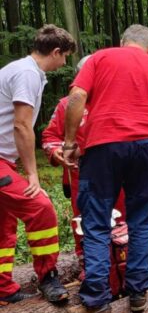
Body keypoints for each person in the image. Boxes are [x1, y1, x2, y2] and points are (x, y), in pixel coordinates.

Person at [62, 25, 148, 313]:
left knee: (96, 221)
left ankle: (96, 301)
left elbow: (77, 98)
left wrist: (69, 142)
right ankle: (138, 292)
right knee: (142, 220)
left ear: (122, 42)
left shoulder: (100, 58)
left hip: (103, 145)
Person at [0, 24, 75, 304]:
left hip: (5, 161)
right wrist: (33, 176)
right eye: (65, 56)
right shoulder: (28, 73)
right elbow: (22, 126)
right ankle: (48, 277)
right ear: (55, 52)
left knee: (4, 223)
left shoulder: (22, 70)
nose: (65, 62)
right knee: (41, 208)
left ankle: (3, 287)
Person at [42, 54, 128, 284]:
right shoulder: (65, 105)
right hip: (80, 177)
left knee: (122, 218)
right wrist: (56, 152)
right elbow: (50, 137)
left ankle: (124, 264)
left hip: (117, 176)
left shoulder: (119, 103)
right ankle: (88, 263)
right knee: (83, 222)